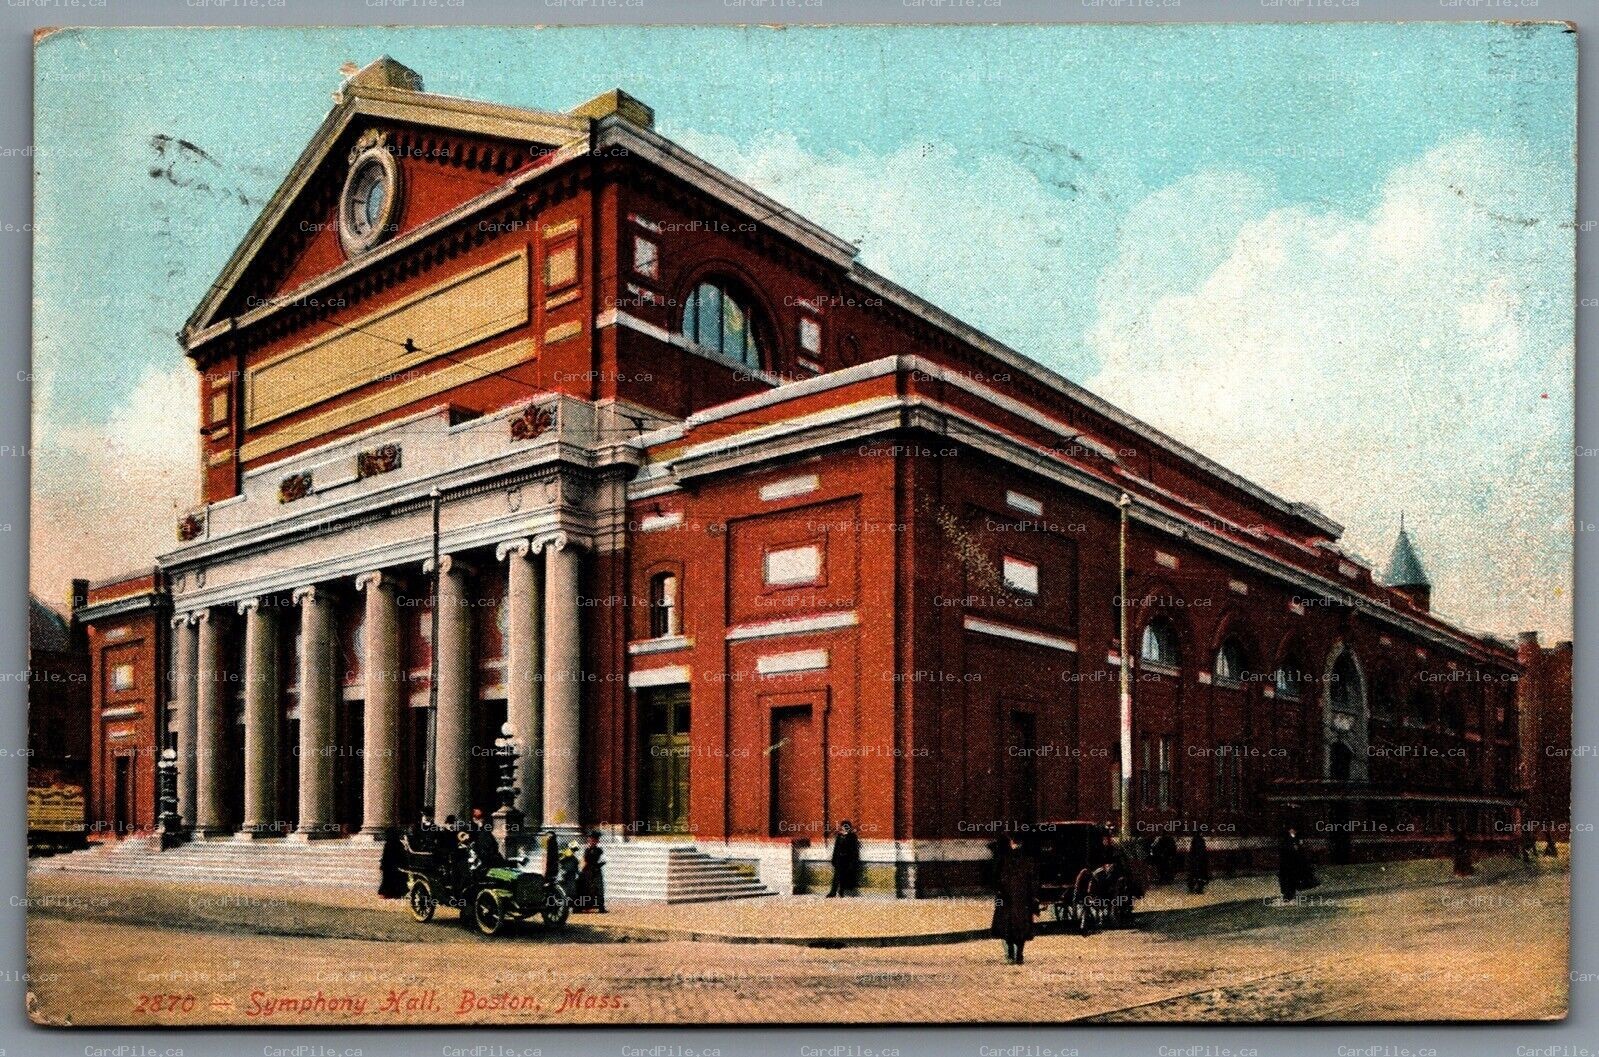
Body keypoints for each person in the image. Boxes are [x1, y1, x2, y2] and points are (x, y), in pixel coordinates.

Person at [990, 834, 1038, 964]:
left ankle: (1015, 953)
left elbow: (998, 880)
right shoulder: (1025, 861)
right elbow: (1032, 881)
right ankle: (1018, 954)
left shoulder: (1005, 860)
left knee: (1009, 928)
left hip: (1011, 900)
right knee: (1019, 928)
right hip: (1019, 901)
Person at [827, 820, 861, 897]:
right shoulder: (839, 836)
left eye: (844, 826)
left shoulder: (852, 836)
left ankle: (841, 891)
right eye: (842, 826)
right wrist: (834, 859)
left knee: (843, 876)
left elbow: (854, 850)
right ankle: (833, 892)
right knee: (836, 876)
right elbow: (836, 849)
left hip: (847, 859)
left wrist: (853, 861)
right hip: (839, 859)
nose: (842, 828)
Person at [578, 831, 607, 913]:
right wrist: (581, 870)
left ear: (597, 841)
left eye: (593, 840)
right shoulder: (587, 850)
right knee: (586, 889)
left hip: (596, 871)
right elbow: (584, 860)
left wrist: (597, 866)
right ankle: (584, 906)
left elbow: (604, 860)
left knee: (599, 888)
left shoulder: (599, 850)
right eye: (590, 839)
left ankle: (601, 907)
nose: (591, 841)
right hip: (587, 872)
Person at [378, 828, 407, 899]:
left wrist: (383, 864)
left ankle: (390, 893)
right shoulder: (399, 844)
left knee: (389, 879)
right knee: (393, 879)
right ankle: (395, 893)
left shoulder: (389, 844)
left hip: (390, 866)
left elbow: (385, 856)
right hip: (395, 866)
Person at [1278, 827, 1303, 903]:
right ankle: (1288, 896)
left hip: (1292, 863)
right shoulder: (1286, 839)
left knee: (1291, 880)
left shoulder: (1296, 838)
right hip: (1288, 863)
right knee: (1288, 880)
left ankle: (1290, 895)